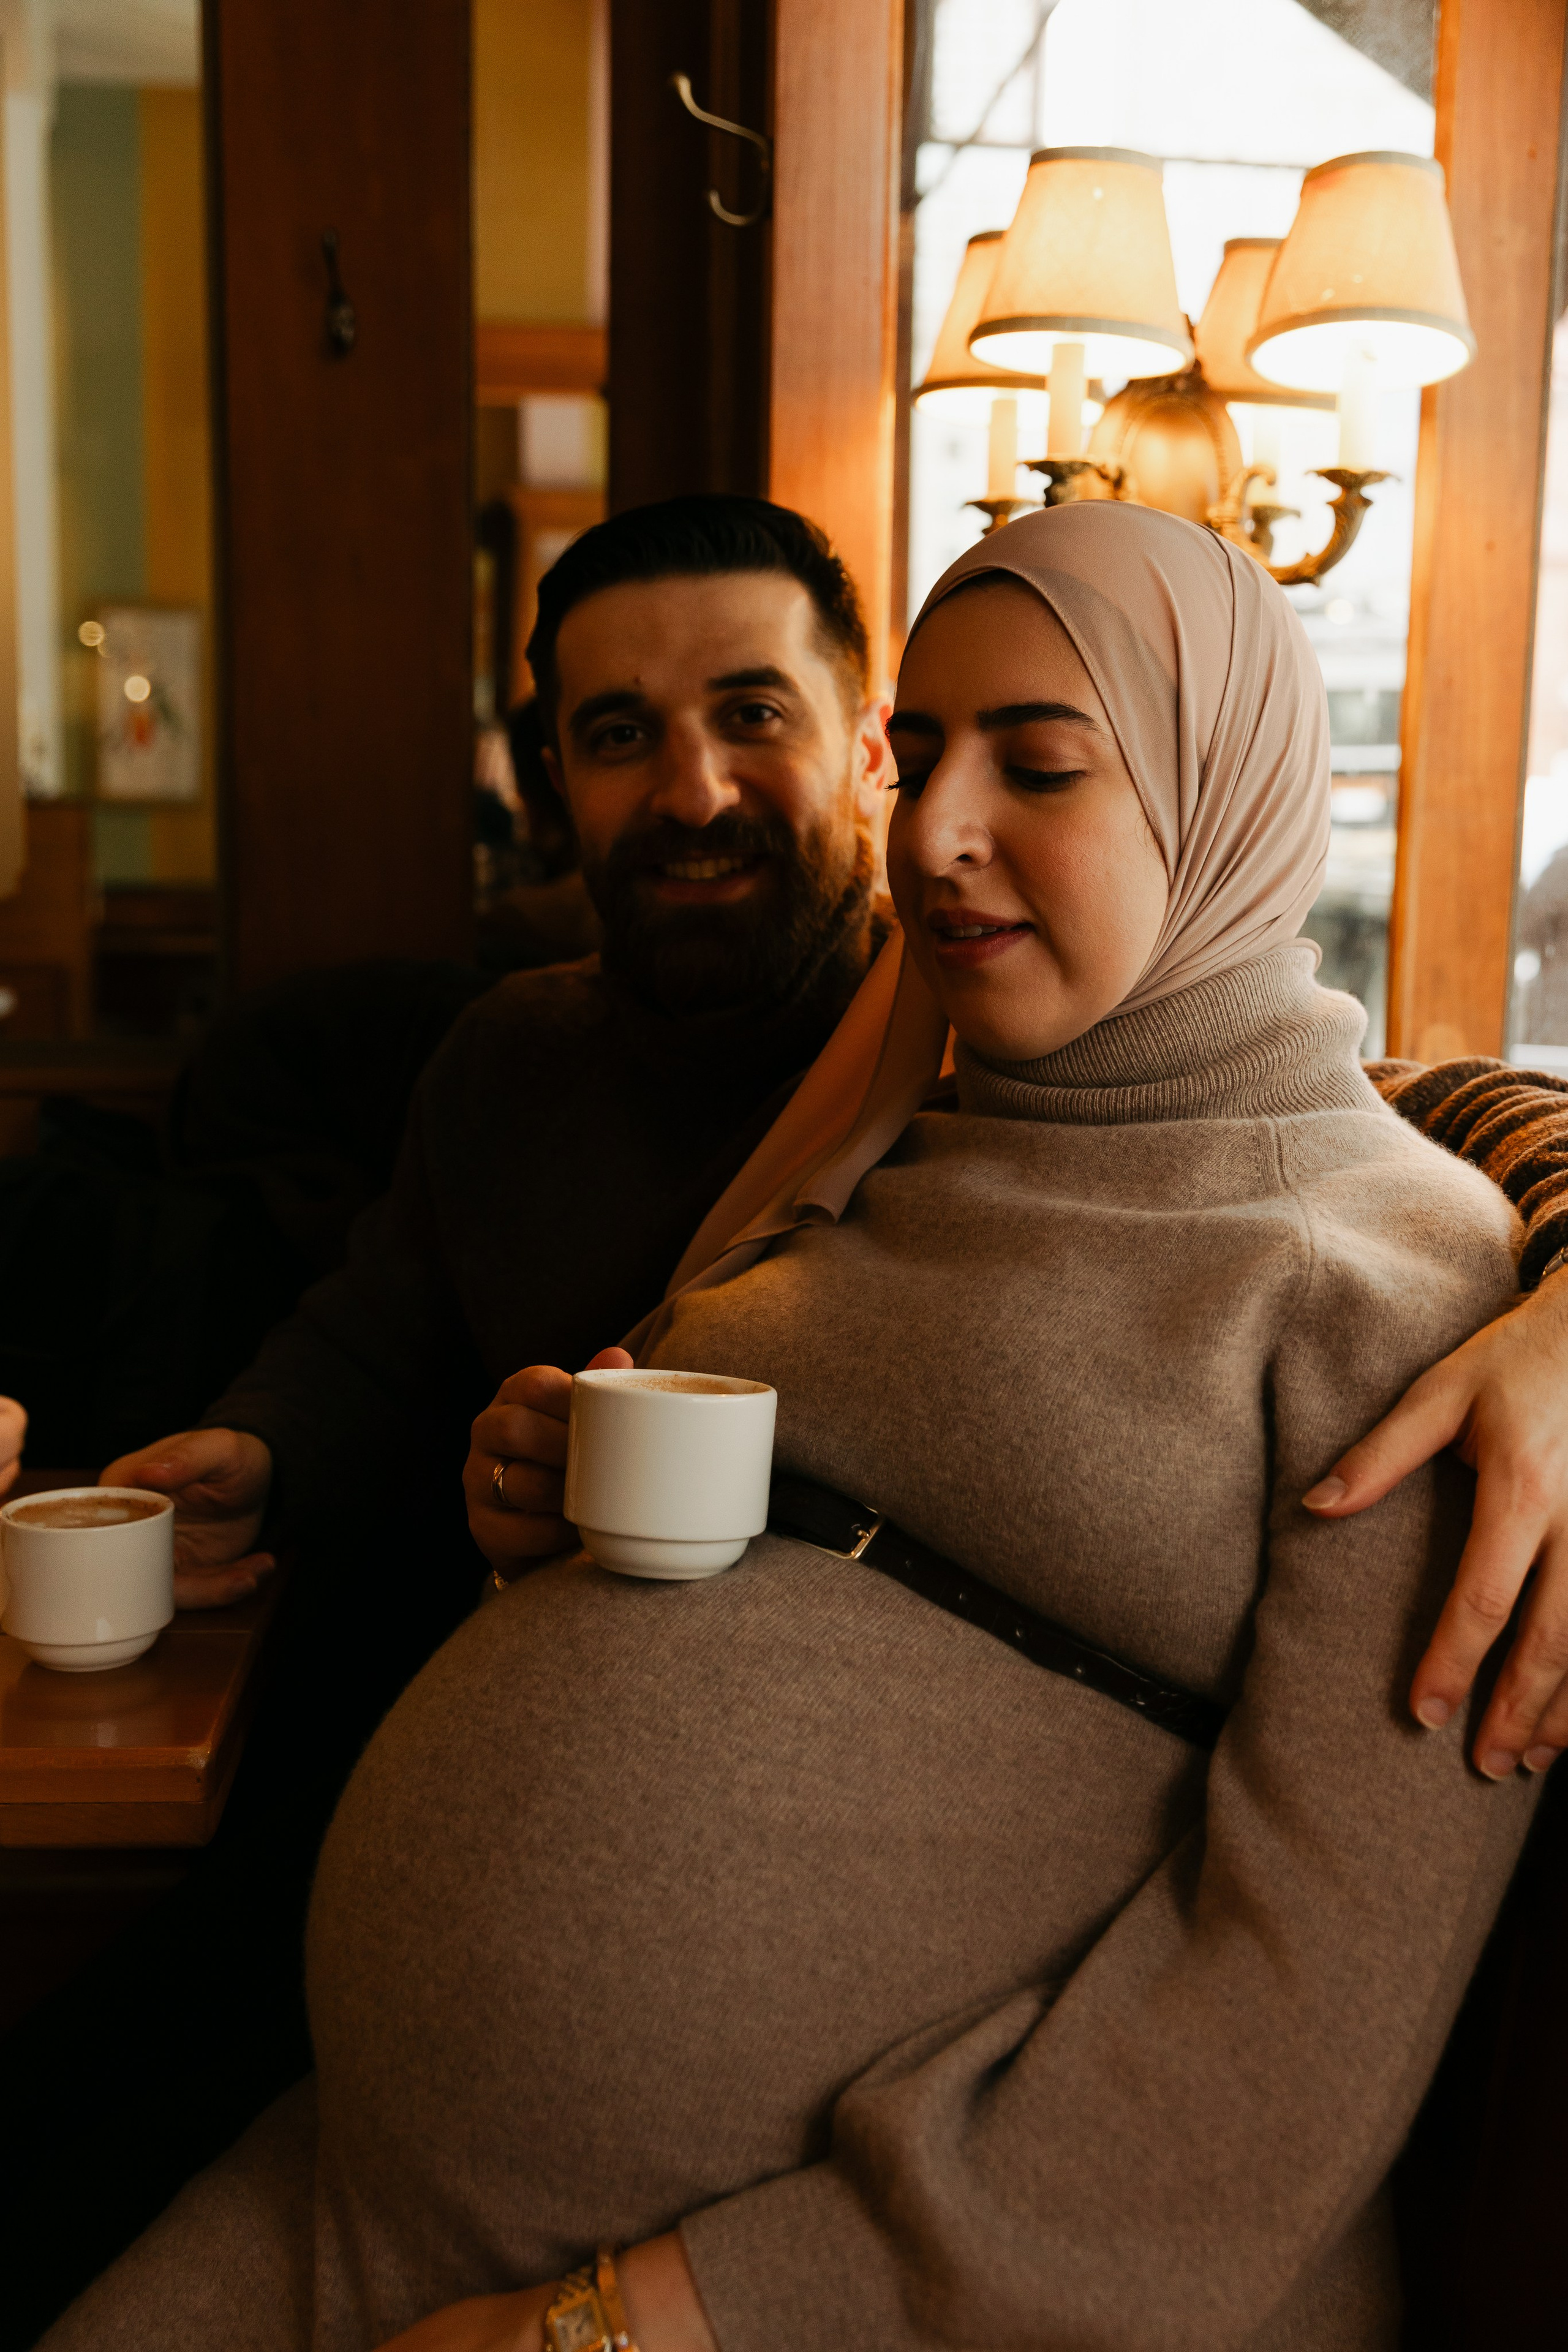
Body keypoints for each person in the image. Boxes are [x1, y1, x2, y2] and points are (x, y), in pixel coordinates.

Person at [7, 496, 1568, 2349]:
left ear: (1223, 791)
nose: (939, 833)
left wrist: (630, 2324)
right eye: (927, 755)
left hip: (773, 2292)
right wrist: (537, 1499)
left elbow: (1284, 2040)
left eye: (1040, 765)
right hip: (368, 2176)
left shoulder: (1403, 1298)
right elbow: (434, 1348)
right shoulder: (879, 1131)